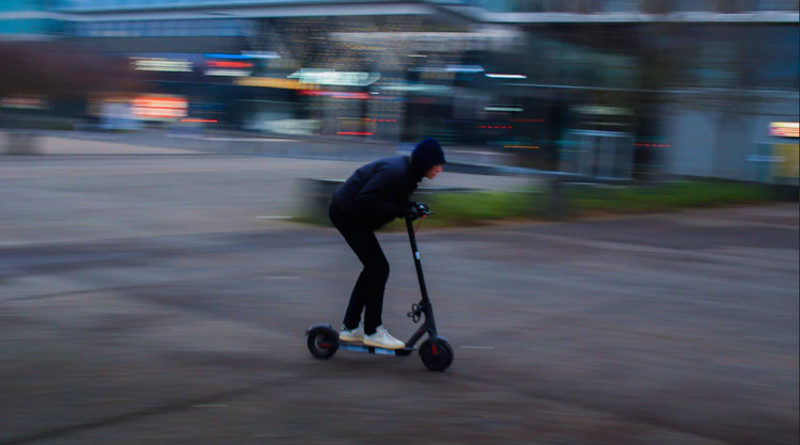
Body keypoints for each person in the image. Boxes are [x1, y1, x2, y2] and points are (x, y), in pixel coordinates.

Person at [328, 137, 446, 349]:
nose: (439, 169)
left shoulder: (409, 174)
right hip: (346, 212)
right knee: (378, 268)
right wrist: (402, 210)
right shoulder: (396, 172)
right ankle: (373, 331)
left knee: (374, 268)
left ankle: (351, 327)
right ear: (425, 162)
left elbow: (391, 198)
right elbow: (366, 201)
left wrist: (412, 206)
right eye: (437, 164)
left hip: (352, 213)